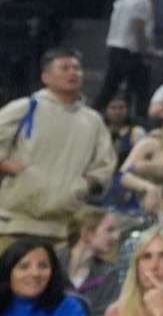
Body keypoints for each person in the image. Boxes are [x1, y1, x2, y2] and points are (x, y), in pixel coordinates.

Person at [0, 49, 115, 245]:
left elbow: (105, 165)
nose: (73, 73)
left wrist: (83, 185)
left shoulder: (93, 120)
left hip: (65, 226)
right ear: (46, 77)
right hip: (14, 221)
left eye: (76, 68)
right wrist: (11, 167)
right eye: (64, 68)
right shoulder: (25, 107)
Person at [100, 0, 163, 112]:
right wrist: (146, 50)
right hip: (130, 53)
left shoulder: (124, 0)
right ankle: (141, 120)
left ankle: (97, 110)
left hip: (114, 49)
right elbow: (138, 28)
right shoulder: (143, 2)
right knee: (141, 92)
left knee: (109, 89)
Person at [66, 207, 126, 316]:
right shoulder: (50, 265)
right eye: (110, 230)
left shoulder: (109, 274)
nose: (117, 237)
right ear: (87, 234)